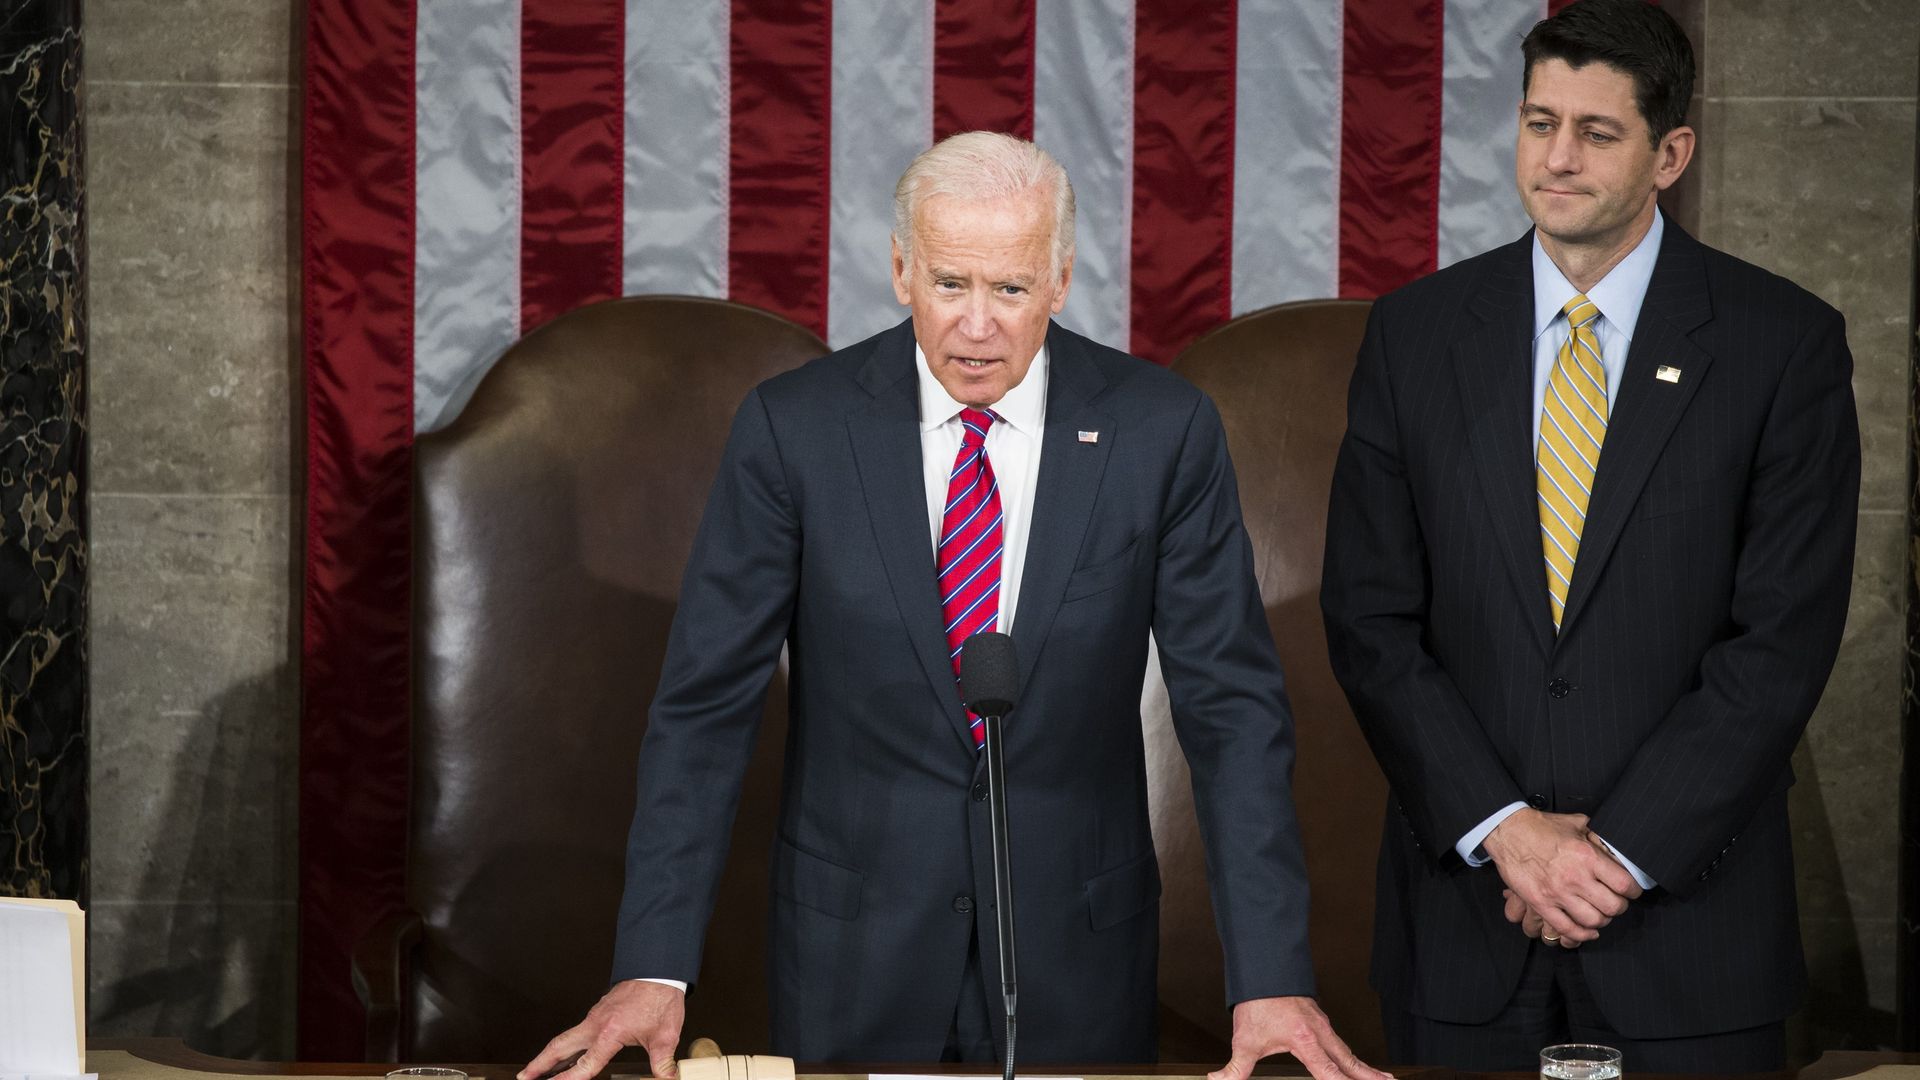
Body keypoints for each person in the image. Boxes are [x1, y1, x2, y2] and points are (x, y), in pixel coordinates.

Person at [520, 132, 1386, 1080]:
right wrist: (654, 967)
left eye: (1010, 289)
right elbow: (704, 713)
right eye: (949, 284)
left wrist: (1269, 976)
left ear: (1060, 280)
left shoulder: (1159, 432)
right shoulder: (795, 430)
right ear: (901, 271)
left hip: (1078, 962)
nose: (978, 327)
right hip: (853, 959)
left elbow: (1232, 714)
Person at [1320, 0, 1859, 1072]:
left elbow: (1780, 644)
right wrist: (1508, 832)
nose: (1556, 158)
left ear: (1671, 155)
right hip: (1466, 930)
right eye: (1539, 123)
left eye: (1596, 132)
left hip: (1690, 939)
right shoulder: (1415, 335)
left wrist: (1611, 857)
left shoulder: (1782, 344)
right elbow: (1369, 620)